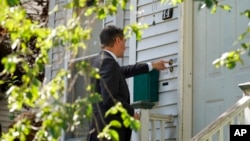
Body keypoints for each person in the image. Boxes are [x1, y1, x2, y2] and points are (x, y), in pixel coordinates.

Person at [87, 25, 168, 141]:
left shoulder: (101, 60)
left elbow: (124, 71)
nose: (125, 47)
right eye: (124, 42)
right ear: (118, 40)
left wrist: (152, 66)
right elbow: (110, 97)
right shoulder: (108, 63)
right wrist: (131, 112)